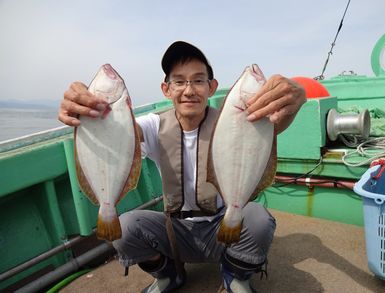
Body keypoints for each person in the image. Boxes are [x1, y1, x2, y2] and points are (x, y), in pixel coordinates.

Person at [58, 41, 306, 293]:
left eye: (198, 81)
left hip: (223, 222)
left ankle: (235, 276)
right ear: (166, 89)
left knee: (258, 218)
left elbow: (271, 126)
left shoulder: (234, 122)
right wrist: (89, 113)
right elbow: (120, 135)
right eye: (179, 81)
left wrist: (296, 98)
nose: (189, 90)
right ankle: (168, 275)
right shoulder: (154, 125)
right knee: (125, 227)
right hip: (174, 231)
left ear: (212, 87)